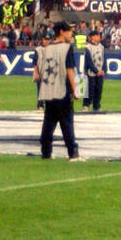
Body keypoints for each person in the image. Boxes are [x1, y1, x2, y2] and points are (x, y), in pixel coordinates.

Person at [36, 20, 80, 160]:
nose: (71, 33)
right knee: (67, 123)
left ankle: (46, 151)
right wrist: (76, 89)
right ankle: (72, 152)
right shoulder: (67, 48)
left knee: (48, 123)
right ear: (62, 31)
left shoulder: (47, 48)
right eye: (69, 31)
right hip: (62, 90)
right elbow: (70, 70)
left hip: (49, 91)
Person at [82, 29, 105, 113]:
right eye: (97, 35)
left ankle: (96, 105)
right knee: (89, 89)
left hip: (100, 72)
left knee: (98, 90)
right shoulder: (88, 47)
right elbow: (89, 61)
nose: (99, 37)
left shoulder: (101, 47)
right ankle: (86, 105)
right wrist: (96, 71)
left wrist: (103, 70)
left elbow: (104, 59)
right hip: (90, 73)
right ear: (92, 37)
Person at [34, 30, 51, 110]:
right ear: (42, 39)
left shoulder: (52, 49)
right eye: (45, 39)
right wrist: (36, 73)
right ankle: (40, 105)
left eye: (48, 39)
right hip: (40, 73)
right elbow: (34, 62)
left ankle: (48, 105)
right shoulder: (38, 50)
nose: (46, 41)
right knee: (40, 90)